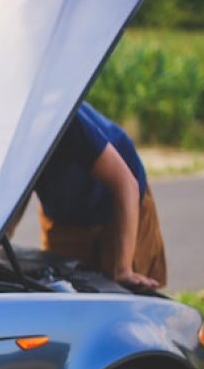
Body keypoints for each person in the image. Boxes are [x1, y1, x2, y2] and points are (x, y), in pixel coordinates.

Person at [34, 101, 166, 290]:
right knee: (62, 290)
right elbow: (13, 193)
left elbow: (126, 184)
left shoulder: (62, 119)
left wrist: (124, 269)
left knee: (125, 292)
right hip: (64, 212)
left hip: (121, 201)